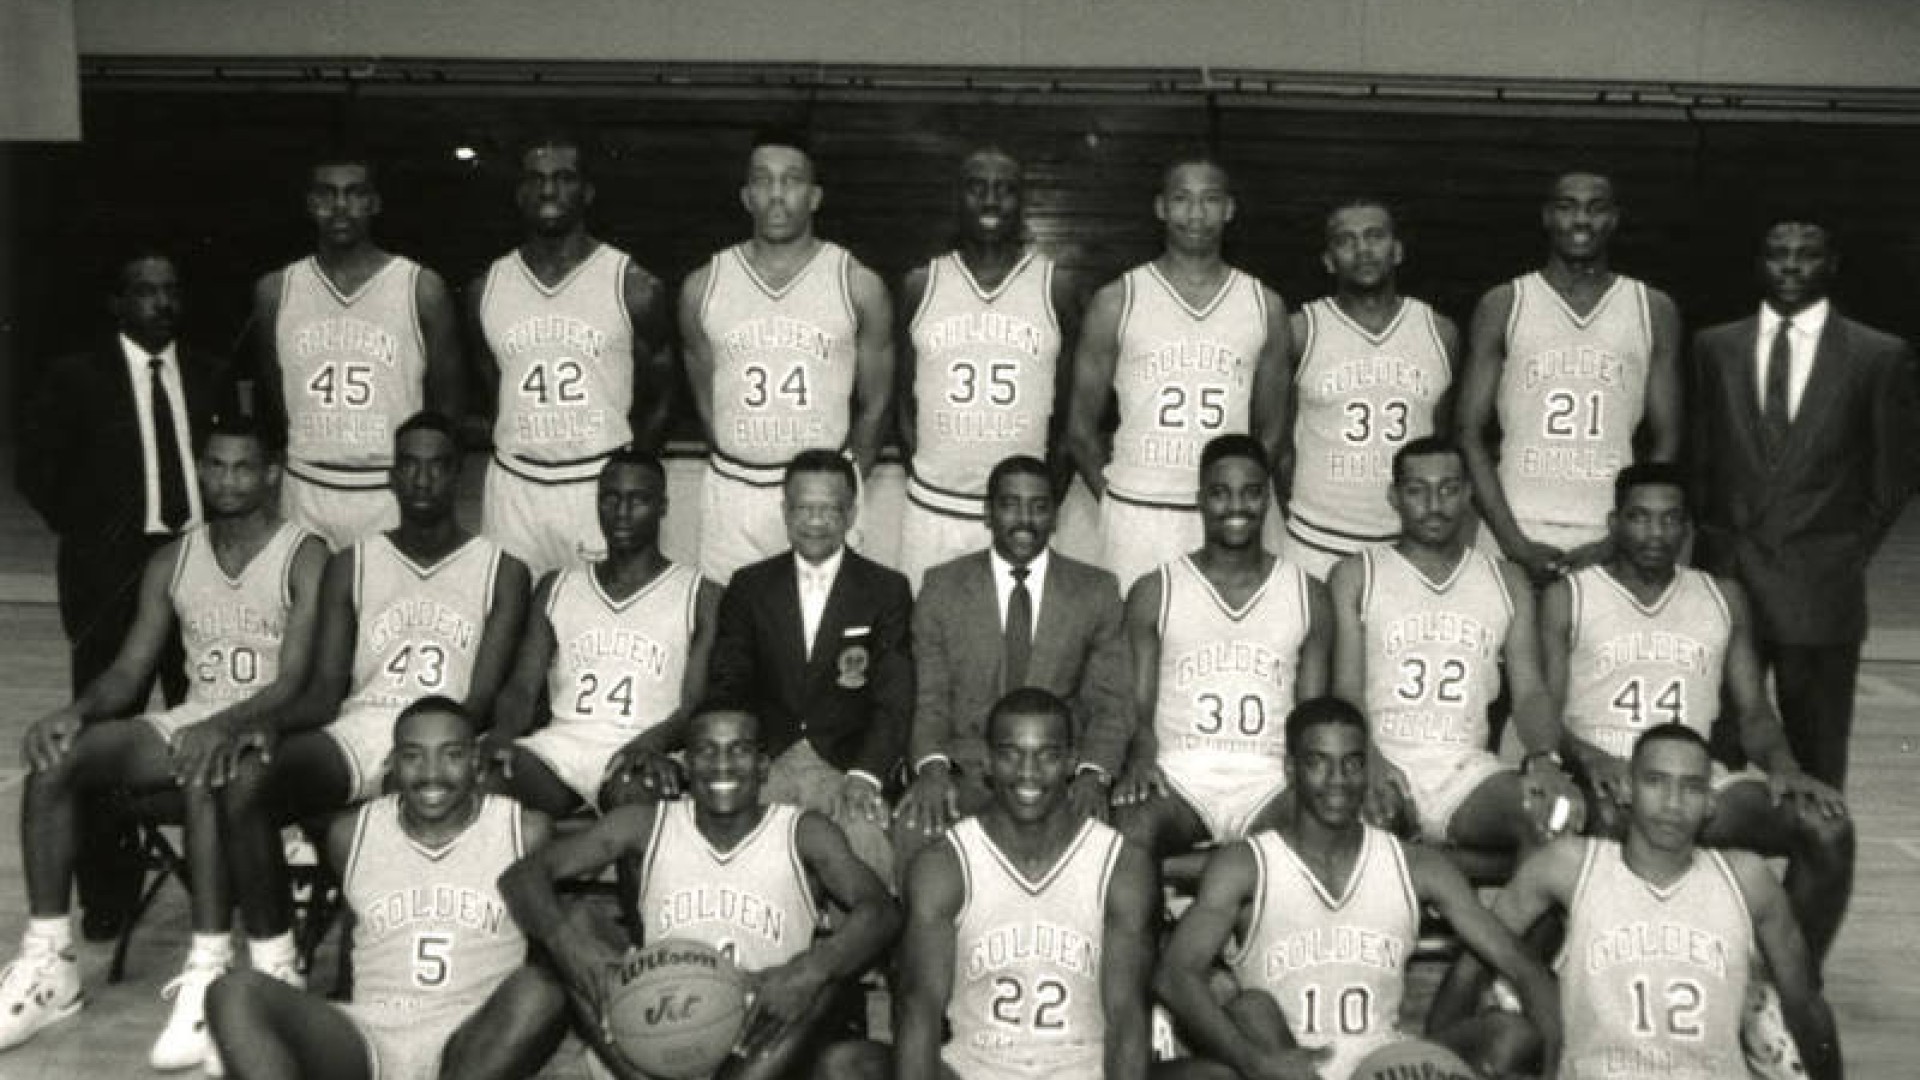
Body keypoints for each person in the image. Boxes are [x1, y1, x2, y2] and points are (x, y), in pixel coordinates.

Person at [0, 418, 325, 1068]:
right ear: (200, 471)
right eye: (216, 465)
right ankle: (48, 964)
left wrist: (227, 726)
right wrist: (76, 710)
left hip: (273, 726)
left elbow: (298, 682)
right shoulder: (174, 558)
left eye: (243, 467)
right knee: (57, 761)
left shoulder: (306, 553)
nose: (227, 479)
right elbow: (128, 671)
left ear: (271, 476)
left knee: (206, 761)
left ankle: (209, 966)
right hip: (195, 718)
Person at [216, 411, 529, 987]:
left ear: (458, 474)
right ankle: (276, 964)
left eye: (437, 467)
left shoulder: (501, 570)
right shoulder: (352, 563)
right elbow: (326, 691)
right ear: (392, 477)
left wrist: (414, 752)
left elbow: (481, 698)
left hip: (447, 734)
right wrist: (273, 726)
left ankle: (378, 967)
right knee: (247, 779)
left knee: (404, 789)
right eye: (409, 466)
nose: (422, 480)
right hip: (361, 731)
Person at [1541, 462, 1854, 965]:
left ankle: (1776, 986)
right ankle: (1597, 969)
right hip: (1609, 777)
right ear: (1613, 523)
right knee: (1605, 815)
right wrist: (1592, 760)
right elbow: (1544, 717)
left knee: (1827, 827)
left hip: (1699, 781)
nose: (1655, 533)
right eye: (1640, 518)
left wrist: (1785, 767)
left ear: (1687, 528)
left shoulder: (1721, 596)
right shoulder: (1570, 596)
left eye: (1670, 520)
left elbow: (1754, 713)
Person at [1155, 697, 1561, 1080]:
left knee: (1512, 1037)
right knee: (1252, 1010)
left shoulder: (1415, 865)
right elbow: (1174, 975)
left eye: (1351, 764)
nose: (1338, 781)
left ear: (1367, 770)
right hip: (1291, 1064)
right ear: (1290, 771)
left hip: (1385, 1064)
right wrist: (1255, 1062)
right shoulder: (1247, 865)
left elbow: (1525, 968)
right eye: (1319, 763)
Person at [17, 250, 235, 940]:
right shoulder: (76, 377)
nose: (160, 303)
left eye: (171, 291)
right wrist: (96, 533)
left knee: (204, 717)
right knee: (99, 738)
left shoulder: (207, 373)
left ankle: (212, 871)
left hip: (196, 567)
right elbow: (36, 471)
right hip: (110, 575)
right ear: (117, 301)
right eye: (144, 291)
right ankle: (108, 889)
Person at [499, 705, 899, 1080]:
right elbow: (523, 876)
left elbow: (881, 910)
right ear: (687, 766)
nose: (722, 764)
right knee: (567, 933)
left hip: (764, 1026)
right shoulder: (645, 823)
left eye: (739, 750)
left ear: (764, 766)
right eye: (706, 751)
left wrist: (810, 970)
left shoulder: (801, 831)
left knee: (832, 993)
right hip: (662, 1015)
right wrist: (569, 944)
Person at [1438, 724, 1840, 1080]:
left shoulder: (1746, 879)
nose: (1672, 803)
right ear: (1627, 789)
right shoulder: (1568, 867)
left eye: (1691, 787)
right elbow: (1470, 968)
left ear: (1712, 802)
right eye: (1656, 782)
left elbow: (1805, 1006)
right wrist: (1426, 1058)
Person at [207, 696, 569, 1080]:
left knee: (539, 992)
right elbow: (359, 935)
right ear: (391, 764)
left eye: (452, 755)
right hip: (369, 1035)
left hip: (471, 1040)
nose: (432, 773)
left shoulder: (524, 831)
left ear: (478, 764)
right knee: (233, 992)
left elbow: (544, 950)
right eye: (413, 756)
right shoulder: (350, 834)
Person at [818, 688, 1159, 1080]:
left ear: (1071, 762)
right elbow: (919, 1007)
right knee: (844, 1066)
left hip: (1083, 1071)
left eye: (1046, 755)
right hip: (976, 1069)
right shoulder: (944, 865)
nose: (1027, 772)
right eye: (1011, 754)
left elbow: (1128, 1016)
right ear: (987, 762)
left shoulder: (1120, 864)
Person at [1690, 216, 1918, 792]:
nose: (1790, 265)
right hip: (1730, 580)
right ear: (1759, 263)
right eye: (1776, 253)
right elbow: (1701, 463)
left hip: (1820, 588)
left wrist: (1840, 552)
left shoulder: (1877, 354)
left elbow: (1892, 480)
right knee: (1715, 754)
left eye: (1806, 254)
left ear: (1831, 263)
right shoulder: (1715, 346)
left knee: (1817, 762)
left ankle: (1813, 882)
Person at [1328, 436, 1581, 850]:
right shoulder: (1357, 575)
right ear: (1394, 497)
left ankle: (1501, 916)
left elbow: (1531, 692)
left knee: (1555, 812)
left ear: (1467, 494)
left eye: (1447, 489)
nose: (1434, 504)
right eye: (1417, 490)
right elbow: (1346, 691)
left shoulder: (1507, 580)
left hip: (1465, 769)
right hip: (1384, 756)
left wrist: (1544, 760)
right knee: (1361, 824)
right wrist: (1368, 758)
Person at [1063, 156, 1292, 594]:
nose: (1196, 214)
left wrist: (1241, 500)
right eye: (1182, 199)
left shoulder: (1265, 305)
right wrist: (1114, 502)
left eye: (1210, 200)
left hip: (1228, 515)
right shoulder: (1117, 300)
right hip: (1138, 511)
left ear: (1229, 210)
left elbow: (1273, 431)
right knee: (1138, 654)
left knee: (1222, 655)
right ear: (1161, 208)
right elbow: (1079, 428)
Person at [894, 455, 1132, 868]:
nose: (1025, 519)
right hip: (968, 768)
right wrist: (932, 770)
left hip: (1057, 773)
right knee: (917, 827)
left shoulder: (1096, 591)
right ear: (988, 513)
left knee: (1105, 842)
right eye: (1010, 504)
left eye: (1039, 506)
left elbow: (1111, 704)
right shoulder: (942, 586)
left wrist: (1094, 775)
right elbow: (930, 698)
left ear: (1055, 516)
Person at [682, 128, 895, 583]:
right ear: (746, 196)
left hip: (821, 491)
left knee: (822, 638)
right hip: (734, 493)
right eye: (762, 180)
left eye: (792, 180)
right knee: (732, 634)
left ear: (815, 196)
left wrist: (845, 480)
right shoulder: (704, 285)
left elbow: (877, 404)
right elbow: (704, 394)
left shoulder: (857, 283)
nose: (777, 194)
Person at [1456, 169, 1683, 584]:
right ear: (1547, 217)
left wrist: (1617, 540)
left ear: (1614, 219)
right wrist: (1513, 542)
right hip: (1512, 521)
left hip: (1609, 527)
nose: (1582, 220)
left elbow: (1667, 440)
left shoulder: (1653, 308)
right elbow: (1468, 431)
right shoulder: (1505, 302)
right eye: (1567, 207)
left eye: (1596, 209)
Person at [1112, 436, 1330, 858]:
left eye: (1250, 493)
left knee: (1318, 831)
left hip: (1270, 777)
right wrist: (1139, 757)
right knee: (1130, 829)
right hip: (1178, 775)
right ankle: (1153, 924)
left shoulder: (1309, 595)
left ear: (1267, 498)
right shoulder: (1156, 591)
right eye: (1220, 493)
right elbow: (1137, 707)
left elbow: (1311, 714)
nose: (1236, 507)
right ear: (1200, 500)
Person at [474, 132, 675, 576]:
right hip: (515, 486)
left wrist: (629, 473)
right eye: (536, 179)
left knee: (597, 635)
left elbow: (661, 395)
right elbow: (490, 381)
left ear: (586, 192)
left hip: (597, 484)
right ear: (520, 192)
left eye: (563, 178)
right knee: (509, 626)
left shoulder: (633, 285)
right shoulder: (487, 288)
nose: (549, 190)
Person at [707, 449, 912, 882]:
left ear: (852, 513)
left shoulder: (886, 589)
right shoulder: (749, 586)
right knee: (728, 840)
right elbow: (729, 681)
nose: (813, 522)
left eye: (828, 510)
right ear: (784, 510)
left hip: (845, 764)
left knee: (865, 839)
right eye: (802, 508)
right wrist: (746, 758)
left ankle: (864, 949)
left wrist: (866, 774)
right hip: (767, 759)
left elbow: (894, 698)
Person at [484, 447, 720, 816]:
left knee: (639, 794)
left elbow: (693, 706)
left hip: (645, 744)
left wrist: (652, 742)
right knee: (487, 776)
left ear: (663, 507)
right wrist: (500, 732)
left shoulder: (700, 593)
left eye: (638, 500)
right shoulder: (558, 585)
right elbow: (522, 688)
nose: (622, 513)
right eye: (611, 498)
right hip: (561, 747)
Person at [249, 151, 464, 551]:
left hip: (388, 490)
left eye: (355, 193)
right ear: (310, 204)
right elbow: (275, 393)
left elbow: (447, 407)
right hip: (307, 485)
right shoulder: (276, 291)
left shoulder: (420, 287)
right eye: (327, 194)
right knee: (306, 610)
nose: (341, 206)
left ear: (375, 203)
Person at [895, 148, 1081, 589]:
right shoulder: (922, 284)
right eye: (978, 188)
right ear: (958, 198)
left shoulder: (1055, 287)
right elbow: (901, 402)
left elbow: (1073, 410)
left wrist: (1044, 496)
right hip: (933, 511)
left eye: (1006, 190)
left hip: (1019, 517)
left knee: (1014, 649)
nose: (992, 201)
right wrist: (925, 473)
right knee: (927, 646)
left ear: (1023, 202)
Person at [1280, 199, 1457, 580]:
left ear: (1397, 251)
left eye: (1375, 237)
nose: (1362, 249)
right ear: (1328, 260)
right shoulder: (1300, 330)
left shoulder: (1439, 332)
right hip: (1316, 540)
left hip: (1407, 544)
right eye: (1346, 241)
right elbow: (1279, 444)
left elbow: (1441, 442)